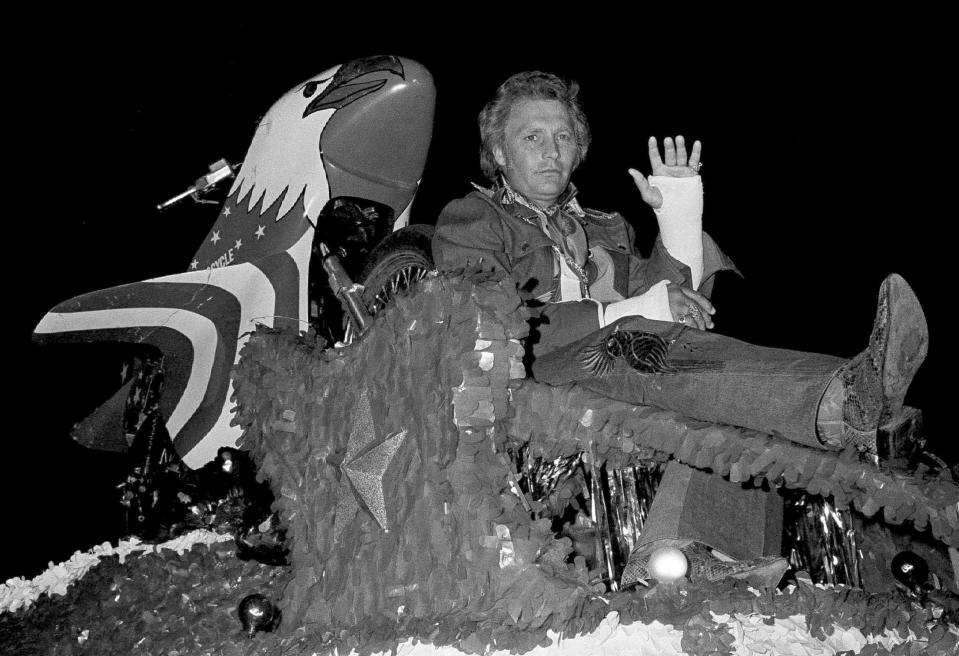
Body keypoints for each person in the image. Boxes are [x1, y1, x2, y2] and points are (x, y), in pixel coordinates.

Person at [430, 71, 930, 583]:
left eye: (562, 138)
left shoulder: (606, 225)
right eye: (531, 138)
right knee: (633, 343)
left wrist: (680, 219)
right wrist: (625, 311)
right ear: (498, 153)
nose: (551, 151)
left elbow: (679, 308)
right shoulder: (473, 218)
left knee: (693, 370)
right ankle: (846, 401)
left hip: (621, 361)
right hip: (533, 366)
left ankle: (702, 549)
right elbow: (480, 319)